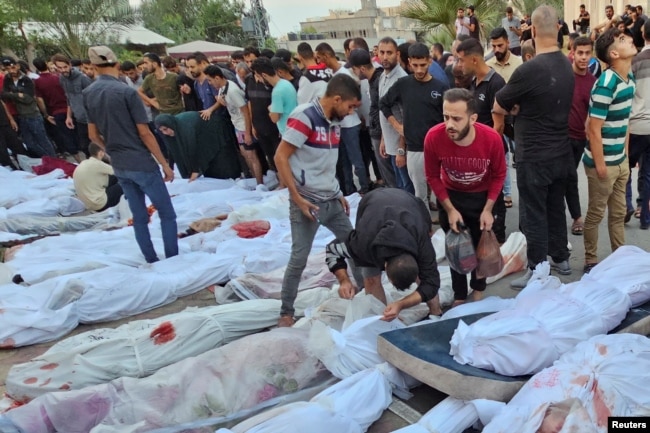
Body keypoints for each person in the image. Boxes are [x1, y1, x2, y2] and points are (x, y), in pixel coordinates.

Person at [494, 5, 575, 288]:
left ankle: (538, 269)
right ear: (558, 29)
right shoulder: (567, 64)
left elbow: (498, 105)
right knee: (555, 207)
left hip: (534, 155)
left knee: (535, 213)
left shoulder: (528, 70)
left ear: (534, 30)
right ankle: (561, 258)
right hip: (560, 152)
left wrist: (516, 110)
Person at [274, 74, 361, 327]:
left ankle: (365, 294)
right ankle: (286, 312)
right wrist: (297, 198)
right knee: (299, 257)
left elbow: (326, 163)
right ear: (336, 99)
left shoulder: (334, 121)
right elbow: (281, 157)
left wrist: (338, 193)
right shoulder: (305, 116)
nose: (351, 112)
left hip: (331, 198)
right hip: (307, 203)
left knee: (355, 246)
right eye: (351, 106)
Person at [83, 46, 178, 264]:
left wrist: (110, 147)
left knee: (139, 216)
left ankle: (151, 258)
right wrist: (164, 163)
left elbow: (92, 134)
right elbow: (145, 133)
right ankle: (173, 258)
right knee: (167, 213)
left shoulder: (89, 93)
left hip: (119, 162)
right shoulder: (126, 92)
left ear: (95, 68)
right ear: (117, 66)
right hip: (141, 161)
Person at [425, 88, 506, 304]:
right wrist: (450, 209)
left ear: (473, 118)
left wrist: (488, 209)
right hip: (451, 197)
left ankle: (478, 290)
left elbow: (499, 175)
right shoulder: (433, 136)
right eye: (446, 117)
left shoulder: (491, 139)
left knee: (481, 248)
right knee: (457, 248)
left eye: (456, 118)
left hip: (483, 198)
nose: (449, 124)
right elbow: (432, 176)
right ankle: (459, 295)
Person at [325, 188, 442, 319]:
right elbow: (332, 250)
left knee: (426, 276)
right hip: (372, 203)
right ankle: (381, 318)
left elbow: (431, 284)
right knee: (371, 279)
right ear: (385, 266)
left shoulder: (422, 244)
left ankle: (436, 312)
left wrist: (400, 304)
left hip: (410, 203)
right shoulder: (363, 244)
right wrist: (344, 280)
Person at [582, 29, 637, 273]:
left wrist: (625, 155)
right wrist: (601, 165)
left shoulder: (629, 78)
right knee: (595, 213)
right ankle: (591, 260)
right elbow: (593, 129)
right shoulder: (606, 84)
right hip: (602, 163)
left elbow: (625, 121)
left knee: (618, 213)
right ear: (614, 53)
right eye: (623, 40)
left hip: (620, 160)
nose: (630, 39)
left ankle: (620, 257)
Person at [380, 42, 449, 206]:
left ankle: (447, 225)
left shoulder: (441, 87)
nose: (419, 69)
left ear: (430, 61)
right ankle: (425, 229)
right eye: (415, 65)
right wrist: (397, 127)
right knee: (420, 194)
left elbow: (448, 117)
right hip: (415, 149)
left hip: (438, 149)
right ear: (409, 62)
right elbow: (384, 104)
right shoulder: (403, 84)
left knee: (443, 191)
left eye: (423, 65)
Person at [455, 38, 508, 244]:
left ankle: (499, 238)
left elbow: (499, 126)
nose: (459, 65)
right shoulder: (474, 82)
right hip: (475, 151)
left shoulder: (495, 83)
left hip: (491, 152)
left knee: (495, 195)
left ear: (474, 60)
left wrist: (487, 152)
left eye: (461, 60)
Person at [315, 42, 369, 195]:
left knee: (356, 159)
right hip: (339, 125)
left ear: (326, 55)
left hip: (350, 124)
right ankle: (349, 189)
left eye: (320, 58)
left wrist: (355, 112)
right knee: (343, 160)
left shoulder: (344, 74)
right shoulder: (334, 73)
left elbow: (356, 99)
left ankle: (365, 188)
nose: (319, 62)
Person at [204, 64, 263, 185]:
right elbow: (224, 100)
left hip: (243, 125)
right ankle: (254, 181)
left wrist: (247, 132)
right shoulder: (222, 88)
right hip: (237, 125)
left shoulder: (232, 90)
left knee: (251, 156)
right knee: (245, 154)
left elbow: (246, 111)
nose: (209, 83)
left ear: (217, 78)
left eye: (210, 80)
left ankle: (259, 183)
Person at [349, 48, 396, 188]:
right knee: (386, 173)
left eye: (354, 69)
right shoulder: (372, 80)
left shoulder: (379, 80)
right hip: (377, 132)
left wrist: (383, 137)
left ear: (362, 68)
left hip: (383, 134)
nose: (354, 73)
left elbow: (385, 110)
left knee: (390, 174)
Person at [154, 110, 241, 181]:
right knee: (211, 173)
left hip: (215, 131)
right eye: (161, 131)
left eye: (165, 129)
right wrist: (170, 169)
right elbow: (172, 150)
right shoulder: (174, 129)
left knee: (222, 162)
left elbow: (193, 149)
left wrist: (196, 170)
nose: (165, 133)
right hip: (201, 135)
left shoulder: (185, 129)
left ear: (170, 124)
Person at [566, 37, 596, 238]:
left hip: (581, 139)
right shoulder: (564, 77)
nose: (584, 57)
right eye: (580, 53)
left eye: (587, 53)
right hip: (561, 137)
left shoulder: (594, 83)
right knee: (568, 176)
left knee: (568, 177)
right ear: (573, 53)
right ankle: (577, 217)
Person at [1, 56, 56, 157]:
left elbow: (28, 99)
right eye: (7, 69)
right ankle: (47, 158)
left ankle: (54, 160)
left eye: (12, 68)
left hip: (33, 115)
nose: (10, 71)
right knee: (30, 144)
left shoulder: (26, 79)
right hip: (21, 115)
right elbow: (4, 95)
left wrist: (12, 94)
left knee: (43, 140)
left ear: (17, 66)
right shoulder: (8, 79)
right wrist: (18, 95)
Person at [377, 37, 413, 194]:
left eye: (389, 53)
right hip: (391, 144)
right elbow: (384, 111)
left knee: (406, 186)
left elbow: (406, 118)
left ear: (397, 54)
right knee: (399, 185)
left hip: (401, 147)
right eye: (382, 52)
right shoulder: (382, 77)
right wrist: (384, 140)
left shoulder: (402, 79)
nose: (385, 57)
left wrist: (401, 150)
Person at [32, 57, 81, 160]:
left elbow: (40, 100)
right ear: (46, 63)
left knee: (67, 137)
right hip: (72, 109)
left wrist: (46, 115)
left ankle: (79, 161)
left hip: (56, 112)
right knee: (79, 134)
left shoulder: (38, 82)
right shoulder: (59, 77)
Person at [627, 19, 650, 230]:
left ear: (643, 35)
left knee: (626, 168)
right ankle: (645, 216)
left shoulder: (635, 61)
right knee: (648, 171)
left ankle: (626, 205)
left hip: (637, 125)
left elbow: (628, 93)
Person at [244, 46, 281, 172]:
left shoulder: (269, 80)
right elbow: (249, 102)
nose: (250, 64)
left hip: (274, 125)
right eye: (247, 61)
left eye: (252, 61)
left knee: (279, 156)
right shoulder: (248, 79)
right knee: (270, 156)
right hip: (259, 126)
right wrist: (252, 125)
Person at [53, 53, 93, 157]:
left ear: (70, 65)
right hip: (79, 118)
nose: (63, 70)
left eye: (65, 67)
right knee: (84, 147)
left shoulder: (83, 78)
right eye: (59, 68)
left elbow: (94, 99)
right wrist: (68, 116)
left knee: (95, 146)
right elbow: (68, 98)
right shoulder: (62, 79)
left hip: (91, 118)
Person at [249, 57, 297, 136]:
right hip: (294, 127)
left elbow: (274, 119)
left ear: (264, 75)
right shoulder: (286, 83)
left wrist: (271, 109)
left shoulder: (277, 91)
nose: (258, 80)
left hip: (288, 132)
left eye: (258, 76)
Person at [73, 142, 123, 211]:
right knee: (125, 184)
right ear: (101, 152)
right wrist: (110, 158)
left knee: (113, 178)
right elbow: (120, 172)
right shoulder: (97, 164)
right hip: (100, 204)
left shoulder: (85, 162)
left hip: (89, 204)